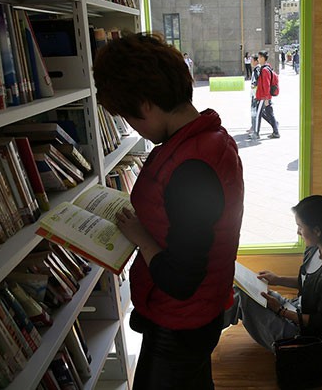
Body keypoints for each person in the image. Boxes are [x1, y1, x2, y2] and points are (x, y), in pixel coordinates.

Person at [93, 32, 244, 390]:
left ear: (146, 104)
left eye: (131, 117)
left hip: (181, 321)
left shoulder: (192, 164)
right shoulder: (206, 138)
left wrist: (141, 238)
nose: (134, 128)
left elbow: (181, 278)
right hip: (195, 312)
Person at [223, 195, 322, 358]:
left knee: (244, 298)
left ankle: (197, 337)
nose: (298, 232)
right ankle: (199, 333)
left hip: (308, 337)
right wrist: (277, 279)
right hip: (297, 309)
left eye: (300, 227)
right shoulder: (315, 249)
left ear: (317, 231)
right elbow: (307, 282)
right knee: (240, 291)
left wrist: (280, 310)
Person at [256, 50, 280, 139]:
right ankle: (275, 127)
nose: (258, 59)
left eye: (259, 57)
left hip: (264, 97)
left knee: (263, 113)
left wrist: (266, 98)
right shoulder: (266, 68)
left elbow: (266, 85)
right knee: (266, 113)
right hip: (264, 96)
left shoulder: (265, 70)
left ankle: (276, 131)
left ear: (263, 58)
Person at [247, 54, 262, 140]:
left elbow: (256, 82)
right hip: (255, 95)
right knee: (261, 112)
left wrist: (253, 85)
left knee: (254, 113)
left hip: (255, 95)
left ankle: (254, 130)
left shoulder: (257, 70)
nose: (251, 62)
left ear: (256, 61)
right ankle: (253, 127)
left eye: (252, 60)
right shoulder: (257, 69)